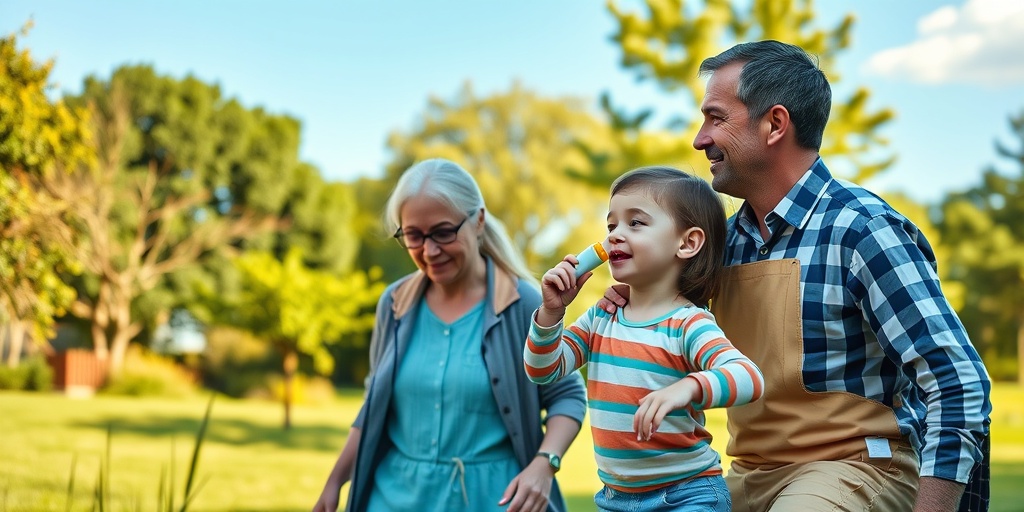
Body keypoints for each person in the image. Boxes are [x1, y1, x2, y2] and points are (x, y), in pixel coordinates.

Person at [601, 40, 992, 512]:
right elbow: (665, 328)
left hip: (859, 469)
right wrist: (629, 300)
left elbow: (957, 381)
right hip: (749, 472)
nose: (699, 139)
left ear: (775, 124)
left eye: (716, 118)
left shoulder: (862, 229)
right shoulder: (719, 244)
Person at [313, 158, 587, 512]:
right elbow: (374, 404)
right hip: (393, 499)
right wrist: (334, 483)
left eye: (443, 232)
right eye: (413, 235)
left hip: (493, 500)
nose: (429, 250)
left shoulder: (523, 304)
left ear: (478, 221)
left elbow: (567, 396)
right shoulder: (394, 305)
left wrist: (544, 465)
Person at [525, 166, 765, 512]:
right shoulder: (601, 317)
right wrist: (551, 313)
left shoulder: (688, 323)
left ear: (687, 243)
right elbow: (542, 370)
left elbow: (748, 377)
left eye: (635, 223)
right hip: (615, 499)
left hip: (687, 495)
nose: (614, 236)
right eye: (611, 225)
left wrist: (689, 387)